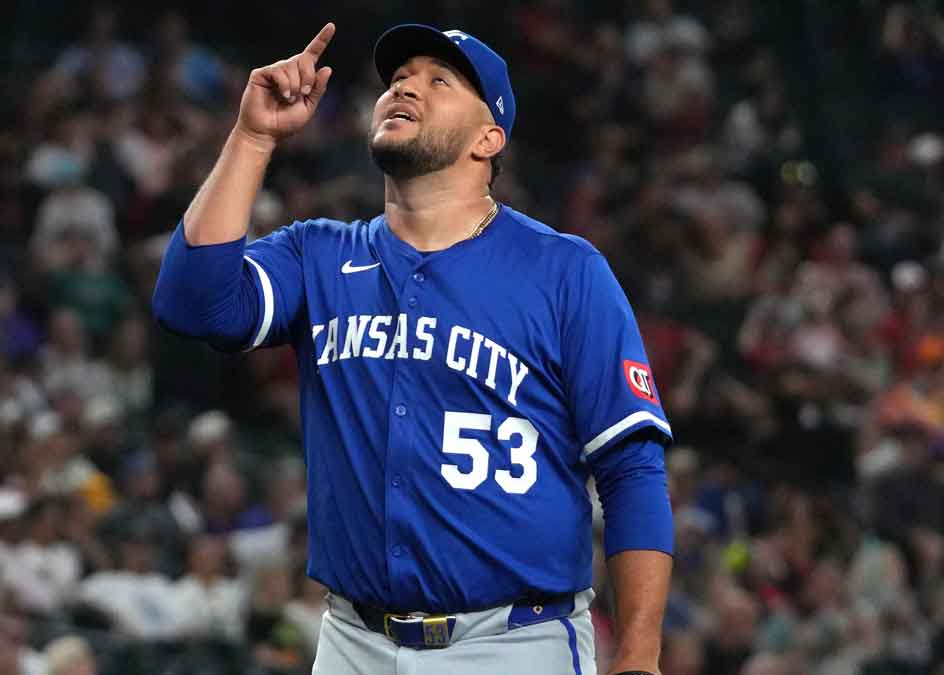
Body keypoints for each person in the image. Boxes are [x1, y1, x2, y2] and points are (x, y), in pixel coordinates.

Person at [153, 22, 673, 675]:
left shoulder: (565, 270)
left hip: (512, 640)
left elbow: (632, 469)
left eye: (439, 81)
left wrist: (640, 654)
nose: (405, 88)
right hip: (352, 639)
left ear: (489, 138)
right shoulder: (319, 253)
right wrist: (253, 138)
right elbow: (192, 305)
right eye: (398, 79)